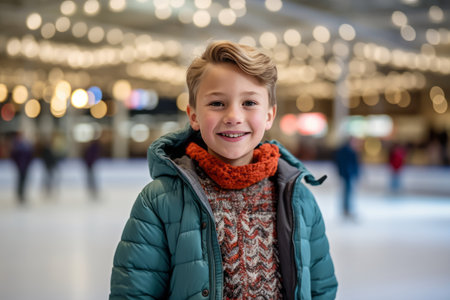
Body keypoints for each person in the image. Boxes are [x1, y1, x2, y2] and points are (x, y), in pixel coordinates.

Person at [110, 41, 337, 299]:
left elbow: (321, 289)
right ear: (193, 115)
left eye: (249, 102)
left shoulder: (299, 200)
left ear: (269, 115)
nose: (233, 116)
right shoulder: (159, 202)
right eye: (217, 103)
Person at [333, 137, 360, 218]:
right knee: (346, 192)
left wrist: (356, 173)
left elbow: (355, 164)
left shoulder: (352, 151)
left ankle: (347, 209)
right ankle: (346, 209)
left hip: (349, 175)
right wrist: (343, 172)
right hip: (346, 175)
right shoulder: (345, 151)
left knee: (348, 192)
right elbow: (340, 162)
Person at [10, 131, 34, 204]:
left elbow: (30, 155)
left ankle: (22, 194)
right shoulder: (16, 146)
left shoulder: (26, 145)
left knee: (24, 181)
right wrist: (17, 164)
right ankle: (20, 194)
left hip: (25, 166)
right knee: (20, 181)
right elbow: (13, 156)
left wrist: (28, 164)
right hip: (20, 167)